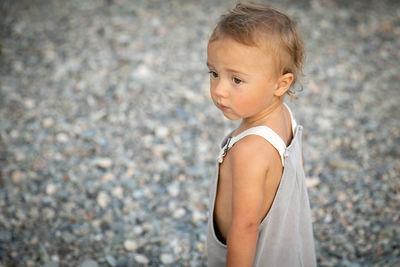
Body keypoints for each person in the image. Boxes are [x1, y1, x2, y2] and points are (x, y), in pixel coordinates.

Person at [206, 3, 316, 267]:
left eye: (237, 80)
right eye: (214, 73)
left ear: (281, 84)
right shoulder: (285, 117)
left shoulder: (249, 150)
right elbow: (294, 167)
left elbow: (244, 228)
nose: (219, 89)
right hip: (289, 248)